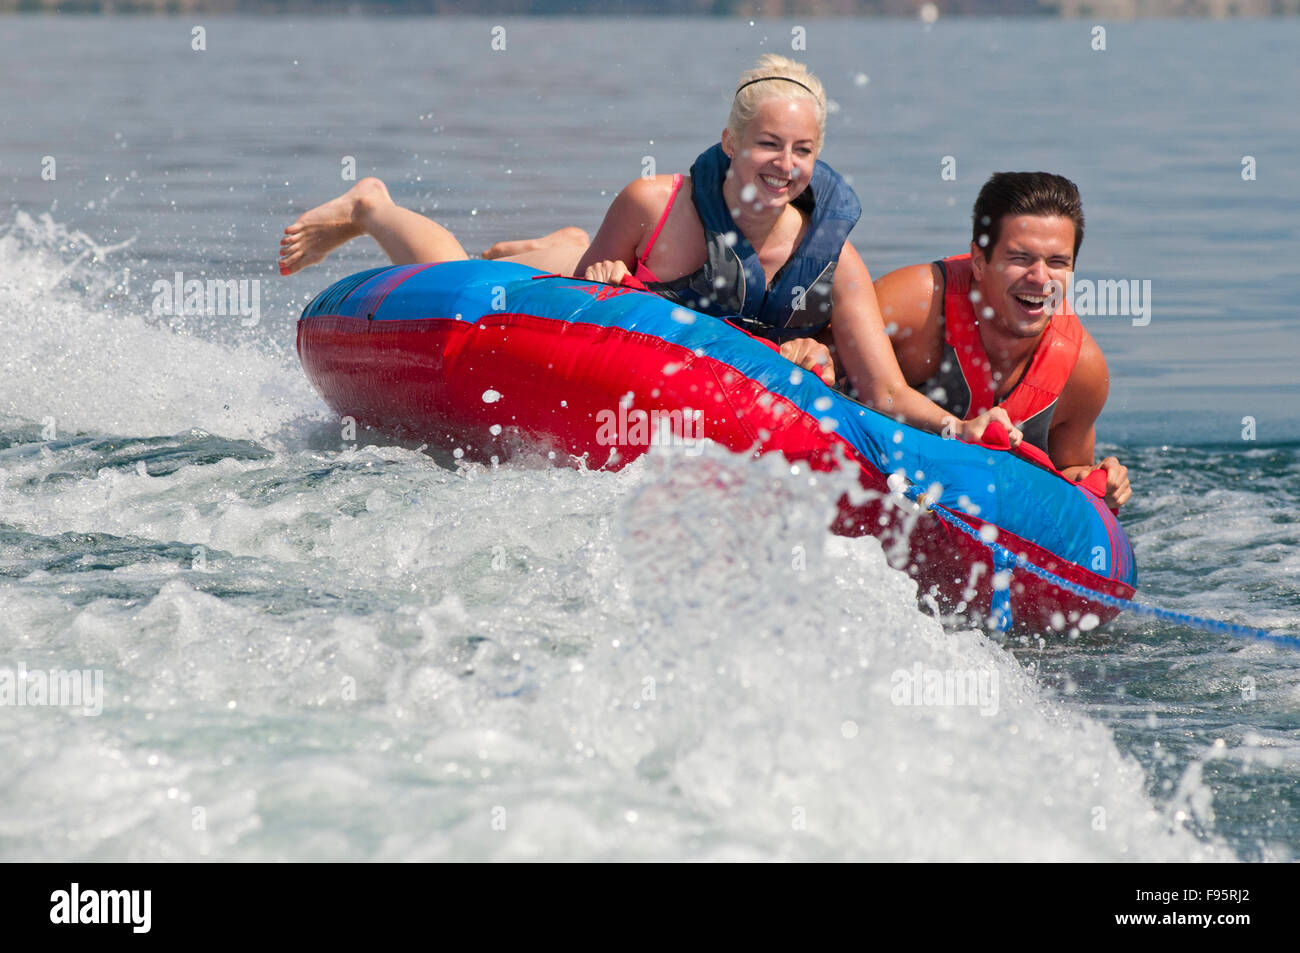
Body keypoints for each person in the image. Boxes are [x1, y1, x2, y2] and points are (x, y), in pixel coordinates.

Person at [279, 55, 1019, 446]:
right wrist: (598, 274)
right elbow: (561, 315)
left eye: (801, 149)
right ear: (730, 143)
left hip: (708, 386)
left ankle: (550, 239)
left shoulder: (837, 260)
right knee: (459, 271)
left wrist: (961, 427)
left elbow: (885, 393)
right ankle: (371, 205)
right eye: (766, 143)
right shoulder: (653, 205)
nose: (783, 163)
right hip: (606, 324)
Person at [869, 172, 1132, 509]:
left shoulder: (1082, 371)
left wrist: (1100, 483)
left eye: (1057, 262)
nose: (1040, 279)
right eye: (1020, 259)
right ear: (979, 262)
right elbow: (816, 374)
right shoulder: (913, 307)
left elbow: (1067, 470)